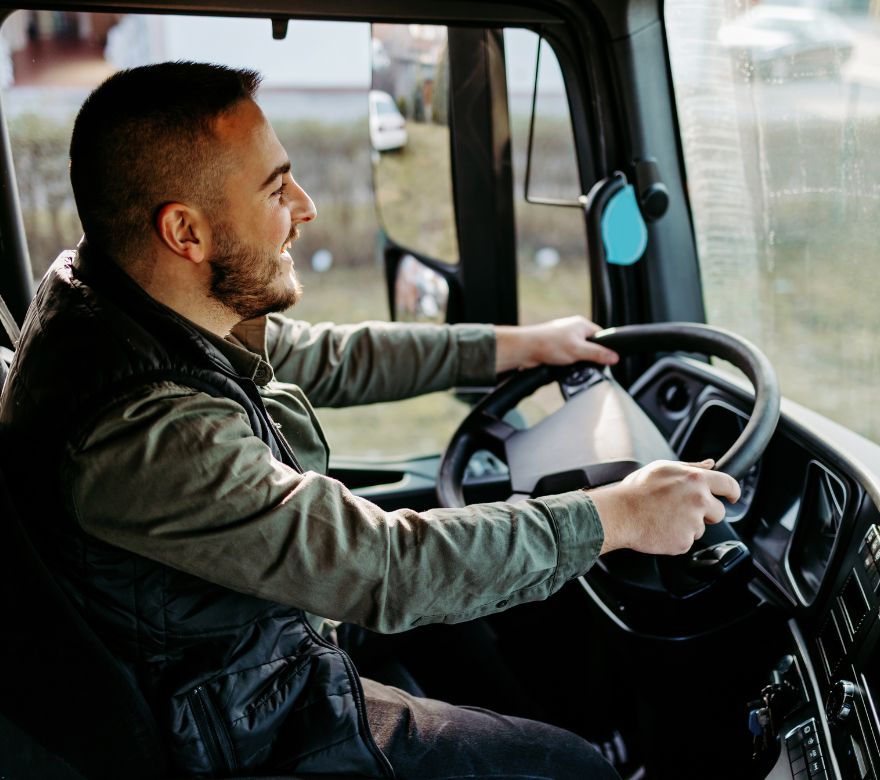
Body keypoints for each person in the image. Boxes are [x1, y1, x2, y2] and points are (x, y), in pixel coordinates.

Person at [0, 62, 740, 779]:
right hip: (248, 718)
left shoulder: (120, 307)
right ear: (184, 232)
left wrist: (517, 346)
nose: (305, 207)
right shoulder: (147, 429)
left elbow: (329, 355)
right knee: (573, 769)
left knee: (479, 637)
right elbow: (384, 565)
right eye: (275, 188)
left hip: (245, 640)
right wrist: (618, 515)